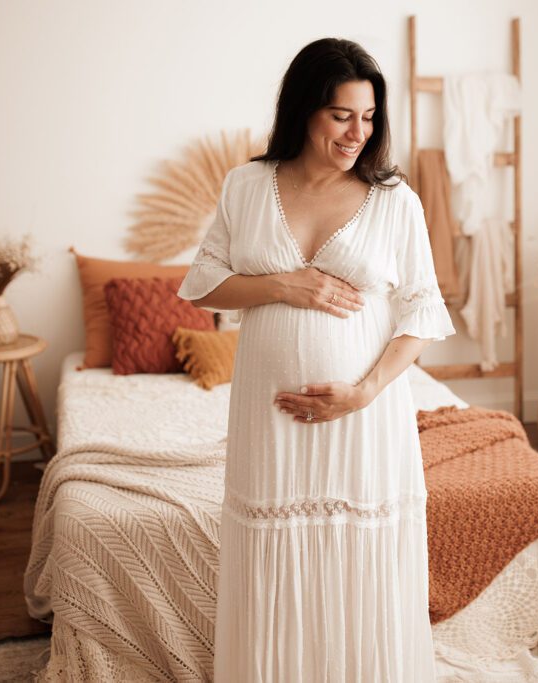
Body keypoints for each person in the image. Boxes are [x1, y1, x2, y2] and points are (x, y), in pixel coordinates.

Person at [177, 38, 454, 682]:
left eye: (369, 117)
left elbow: (422, 315)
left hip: (363, 419)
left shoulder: (394, 201)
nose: (358, 132)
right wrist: (282, 283)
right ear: (304, 109)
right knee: (272, 555)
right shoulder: (246, 186)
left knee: (360, 557)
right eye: (341, 115)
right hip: (268, 422)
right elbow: (202, 284)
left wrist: (363, 392)